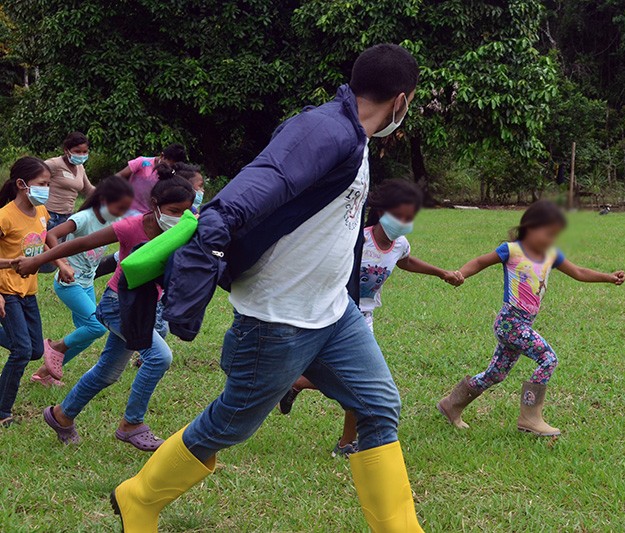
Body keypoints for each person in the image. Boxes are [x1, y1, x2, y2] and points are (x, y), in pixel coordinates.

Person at [109, 44, 425, 533]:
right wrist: (210, 241)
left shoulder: (352, 137)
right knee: (230, 423)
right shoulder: (325, 129)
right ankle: (140, 497)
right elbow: (259, 183)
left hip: (332, 313)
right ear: (400, 102)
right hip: (278, 318)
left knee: (379, 405)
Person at [280, 179, 463, 457]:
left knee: (360, 381)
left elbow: (405, 262)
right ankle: (343, 441)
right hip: (335, 312)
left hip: (363, 318)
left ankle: (306, 392)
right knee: (357, 382)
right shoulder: (356, 239)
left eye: (409, 217)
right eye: (399, 215)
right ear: (382, 212)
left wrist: (441, 272)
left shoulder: (400, 244)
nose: (404, 222)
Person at [16, 167, 194, 450]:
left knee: (106, 373)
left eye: (185, 211)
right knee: (159, 357)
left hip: (145, 306)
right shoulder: (131, 226)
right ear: (154, 206)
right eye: (173, 210)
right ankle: (132, 424)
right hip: (118, 304)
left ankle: (61, 416)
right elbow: (81, 243)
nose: (179, 217)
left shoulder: (186, 228)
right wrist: (37, 262)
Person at [437, 201, 625, 436]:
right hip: (510, 322)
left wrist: (608, 277)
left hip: (523, 325)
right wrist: (460, 274)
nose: (551, 240)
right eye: (547, 233)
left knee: (495, 374)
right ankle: (530, 417)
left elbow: (579, 272)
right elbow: (479, 261)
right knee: (548, 358)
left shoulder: (551, 255)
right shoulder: (512, 250)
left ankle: (451, 404)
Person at [29, 176, 134, 388]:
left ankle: (43, 374)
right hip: (69, 282)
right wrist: (62, 264)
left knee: (86, 334)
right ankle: (56, 347)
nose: (122, 212)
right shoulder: (84, 218)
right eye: (119, 206)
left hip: (86, 283)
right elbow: (51, 235)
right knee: (97, 326)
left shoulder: (113, 220)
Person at [0, 157, 51, 427]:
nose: (47, 189)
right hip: (6, 289)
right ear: (22, 184)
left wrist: (61, 262)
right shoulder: (5, 216)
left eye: (49, 184)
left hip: (29, 291)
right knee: (21, 350)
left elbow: (41, 242)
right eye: (42, 184)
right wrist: (10, 264)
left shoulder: (41, 212)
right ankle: (2, 411)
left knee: (34, 351)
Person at [40, 132, 94, 273]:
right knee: (44, 261)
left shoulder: (80, 167)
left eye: (84, 152)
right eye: (77, 151)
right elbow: (34, 177)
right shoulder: (54, 164)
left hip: (66, 218)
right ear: (66, 150)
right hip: (50, 216)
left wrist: (109, 194)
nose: (81, 155)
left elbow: (88, 190)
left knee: (54, 263)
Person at [116, 143, 187, 215]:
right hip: (127, 210)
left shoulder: (171, 175)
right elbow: (119, 176)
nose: (170, 168)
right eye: (169, 165)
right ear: (162, 156)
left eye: (173, 167)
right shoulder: (142, 162)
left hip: (147, 216)